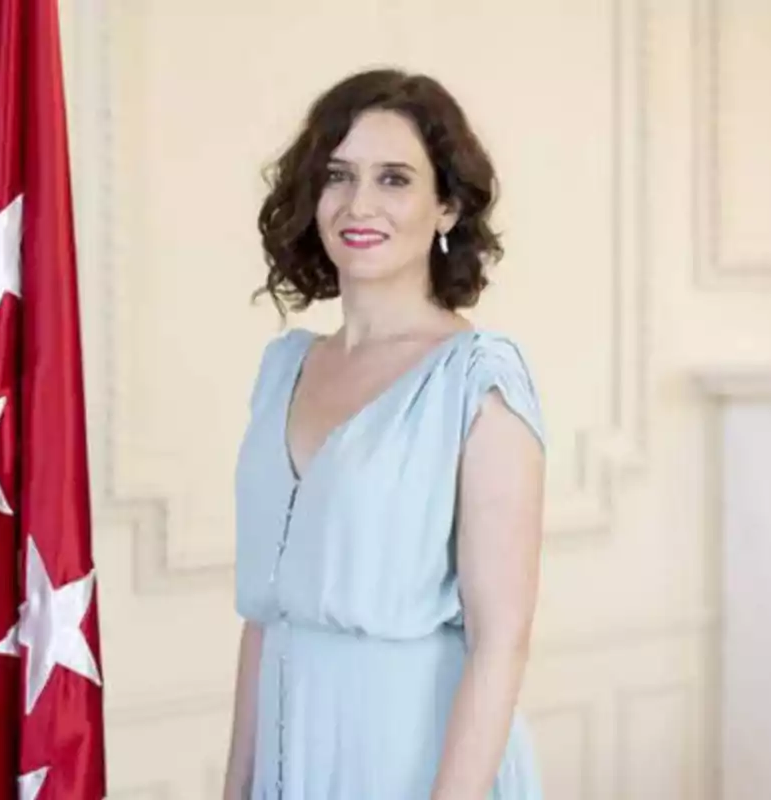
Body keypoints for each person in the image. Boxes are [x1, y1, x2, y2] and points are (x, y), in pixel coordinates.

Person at [222, 68, 547, 799]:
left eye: (394, 178)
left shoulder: (477, 380)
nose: (359, 203)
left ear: (446, 207)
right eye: (338, 175)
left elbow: (502, 642)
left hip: (416, 760)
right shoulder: (285, 368)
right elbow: (263, 619)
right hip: (287, 748)